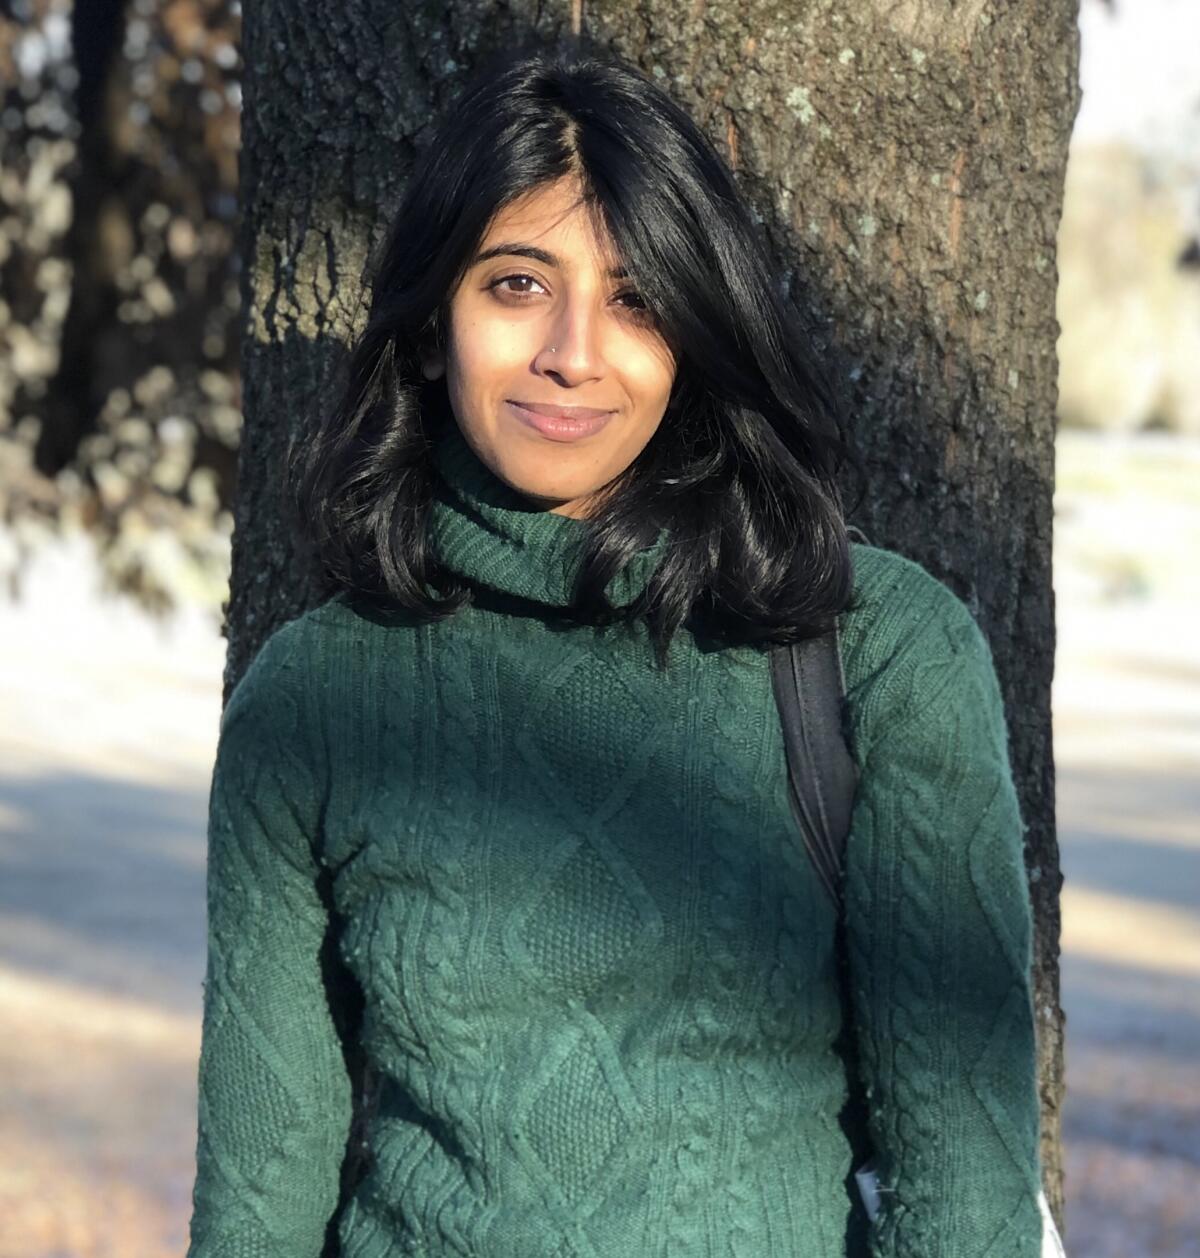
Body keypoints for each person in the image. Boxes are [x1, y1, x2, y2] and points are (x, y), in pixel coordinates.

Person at [185, 35, 1046, 1258]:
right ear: (433, 323)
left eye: (636, 298)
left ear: (694, 335)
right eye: (518, 284)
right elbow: (254, 1200)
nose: (575, 354)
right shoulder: (317, 696)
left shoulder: (874, 653)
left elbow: (965, 1195)